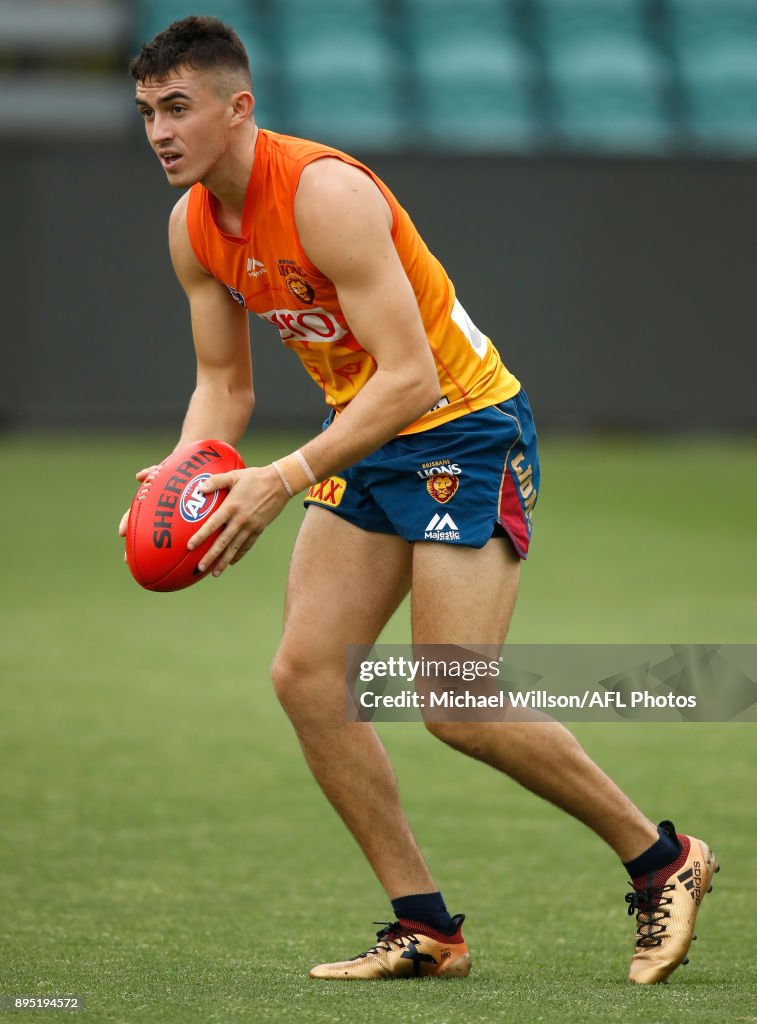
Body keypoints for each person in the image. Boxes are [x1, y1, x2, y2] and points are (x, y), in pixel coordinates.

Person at [121, 16, 717, 983]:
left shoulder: (325, 193)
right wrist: (172, 481)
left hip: (461, 426)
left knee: (454, 699)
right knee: (307, 675)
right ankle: (425, 927)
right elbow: (223, 389)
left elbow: (411, 380)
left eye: (177, 108)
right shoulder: (193, 225)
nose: (158, 130)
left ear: (239, 110)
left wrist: (280, 478)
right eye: (147, 110)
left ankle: (663, 860)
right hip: (366, 435)